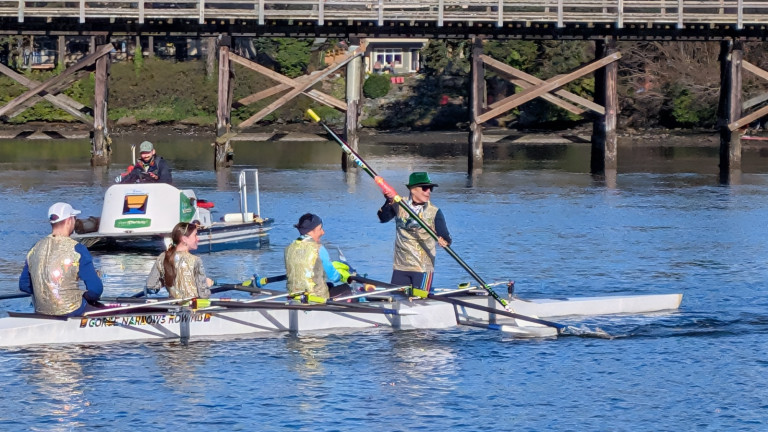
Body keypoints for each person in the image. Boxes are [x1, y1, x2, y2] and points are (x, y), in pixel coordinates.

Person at [19, 202, 104, 316]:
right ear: (69, 220)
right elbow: (96, 290)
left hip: (41, 311)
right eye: (74, 218)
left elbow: (24, 285)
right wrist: (84, 296)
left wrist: (45, 293)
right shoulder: (77, 249)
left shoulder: (35, 248)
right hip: (72, 311)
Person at [377, 172, 452, 293]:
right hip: (401, 266)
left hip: (422, 268)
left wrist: (445, 241)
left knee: (419, 301)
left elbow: (446, 237)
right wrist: (389, 200)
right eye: (425, 188)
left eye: (430, 188)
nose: (429, 192)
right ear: (413, 189)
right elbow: (382, 218)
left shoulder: (435, 211)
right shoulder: (399, 204)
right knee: (396, 300)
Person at [284, 213, 352, 301]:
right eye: (320, 229)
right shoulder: (318, 249)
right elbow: (334, 277)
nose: (323, 232)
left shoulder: (289, 248)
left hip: (295, 297)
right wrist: (346, 276)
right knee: (346, 289)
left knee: (329, 285)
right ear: (311, 231)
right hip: (315, 298)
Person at [146, 222, 213, 299]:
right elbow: (203, 295)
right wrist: (206, 284)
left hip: (172, 306)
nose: (198, 239)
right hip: (193, 308)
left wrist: (165, 281)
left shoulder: (163, 257)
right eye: (195, 235)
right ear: (184, 239)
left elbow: (150, 286)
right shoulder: (196, 260)